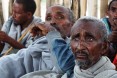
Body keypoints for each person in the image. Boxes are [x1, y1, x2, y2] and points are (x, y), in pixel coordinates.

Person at [21, 16, 117, 78]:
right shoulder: (69, 73)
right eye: (76, 38)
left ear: (104, 47)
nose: (80, 47)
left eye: (89, 39)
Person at [0, 5, 75, 78]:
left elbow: (64, 66)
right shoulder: (41, 42)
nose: (52, 22)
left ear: (73, 25)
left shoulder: (77, 49)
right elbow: (19, 58)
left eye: (60, 17)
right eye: (48, 18)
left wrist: (52, 34)